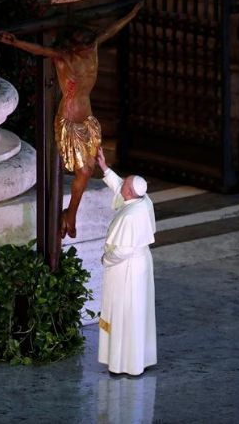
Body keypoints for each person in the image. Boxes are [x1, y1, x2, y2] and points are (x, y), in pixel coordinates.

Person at [0, 1, 143, 239]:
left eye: (89, 45)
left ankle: (71, 214)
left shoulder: (92, 46)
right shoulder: (64, 58)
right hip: (70, 120)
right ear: (74, 47)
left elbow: (111, 30)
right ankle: (70, 215)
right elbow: (39, 51)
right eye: (84, 47)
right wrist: (14, 42)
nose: (89, 50)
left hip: (87, 118)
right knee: (84, 171)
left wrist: (131, 15)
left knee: (88, 170)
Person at [95, 146, 157, 376]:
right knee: (137, 312)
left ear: (129, 193)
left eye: (125, 185)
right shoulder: (143, 200)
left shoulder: (131, 216)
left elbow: (121, 251)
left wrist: (106, 258)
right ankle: (139, 358)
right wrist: (104, 167)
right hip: (140, 263)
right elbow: (121, 186)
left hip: (127, 269)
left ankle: (124, 363)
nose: (122, 186)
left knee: (124, 312)